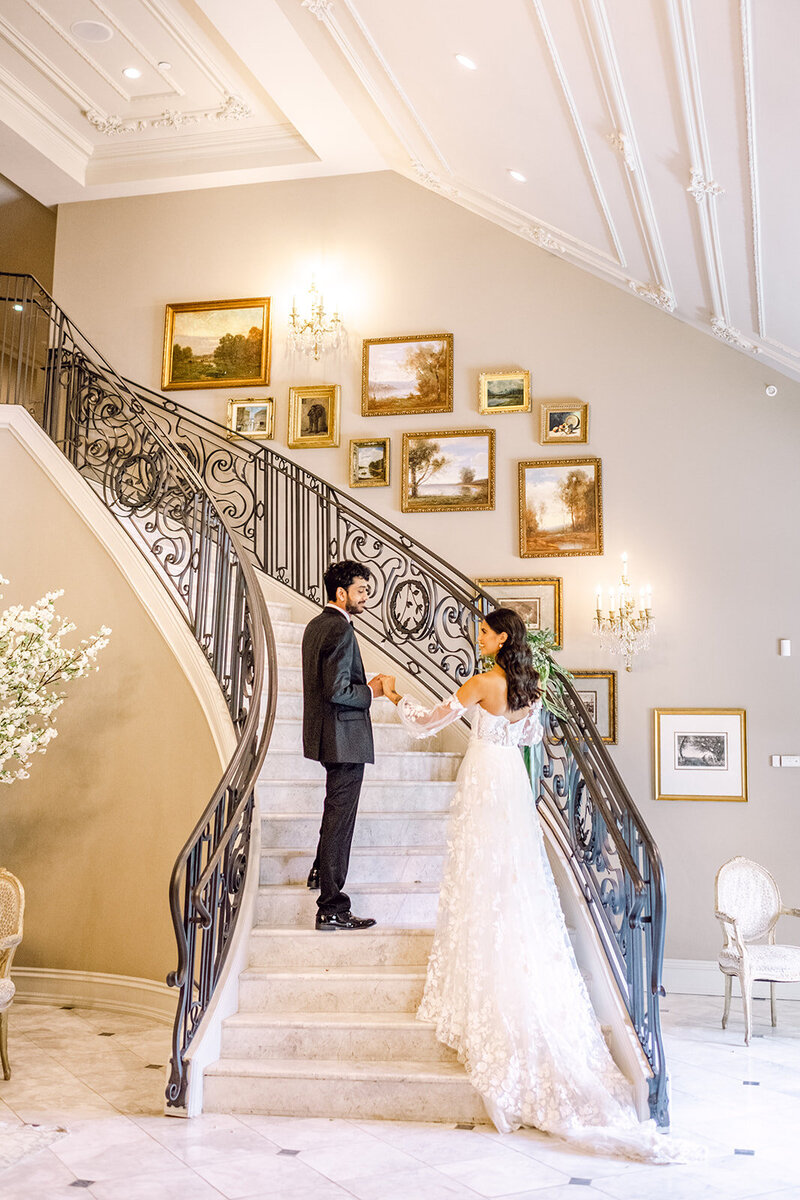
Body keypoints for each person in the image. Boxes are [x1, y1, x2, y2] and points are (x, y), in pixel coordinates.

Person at [379, 607, 696, 1163]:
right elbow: (529, 741)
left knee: (482, 877)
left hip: (484, 781)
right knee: (510, 882)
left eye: (483, 630)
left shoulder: (482, 681)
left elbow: (428, 723)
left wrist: (393, 693)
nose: (476, 637)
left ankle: (487, 975)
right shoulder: (530, 688)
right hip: (509, 784)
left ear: (501, 638)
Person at [302, 560, 382, 931]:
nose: (366, 597)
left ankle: (321, 870)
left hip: (326, 736)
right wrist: (372, 691)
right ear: (341, 593)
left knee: (334, 812)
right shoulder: (340, 630)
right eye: (362, 590)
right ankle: (332, 906)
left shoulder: (316, 626)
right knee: (340, 821)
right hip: (344, 740)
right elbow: (338, 690)